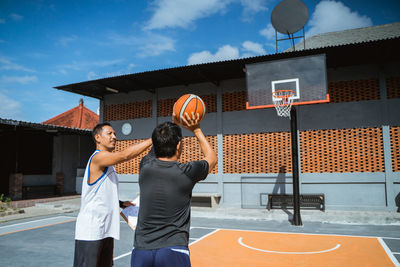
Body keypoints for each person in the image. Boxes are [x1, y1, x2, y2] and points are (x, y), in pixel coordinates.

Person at [131, 112, 217, 267]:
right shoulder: (187, 172)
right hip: (173, 249)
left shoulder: (145, 166)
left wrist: (168, 128)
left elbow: (156, 148)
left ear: (156, 144)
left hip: (141, 249)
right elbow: (212, 158)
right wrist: (196, 129)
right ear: (179, 145)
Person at [74, 122, 152, 267]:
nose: (114, 137)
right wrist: (153, 139)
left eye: (115, 134)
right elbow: (125, 155)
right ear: (98, 137)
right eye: (109, 133)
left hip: (106, 230)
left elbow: (100, 193)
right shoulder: (98, 158)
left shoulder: (108, 165)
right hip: (91, 231)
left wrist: (121, 203)